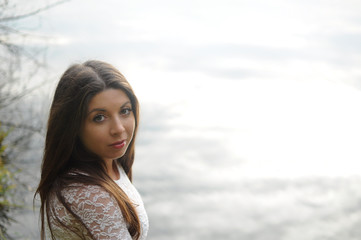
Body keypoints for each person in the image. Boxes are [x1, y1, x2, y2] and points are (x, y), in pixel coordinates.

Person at [35, 60, 149, 240]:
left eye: (125, 111)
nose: (118, 128)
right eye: (99, 117)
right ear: (73, 126)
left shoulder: (108, 164)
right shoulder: (90, 196)